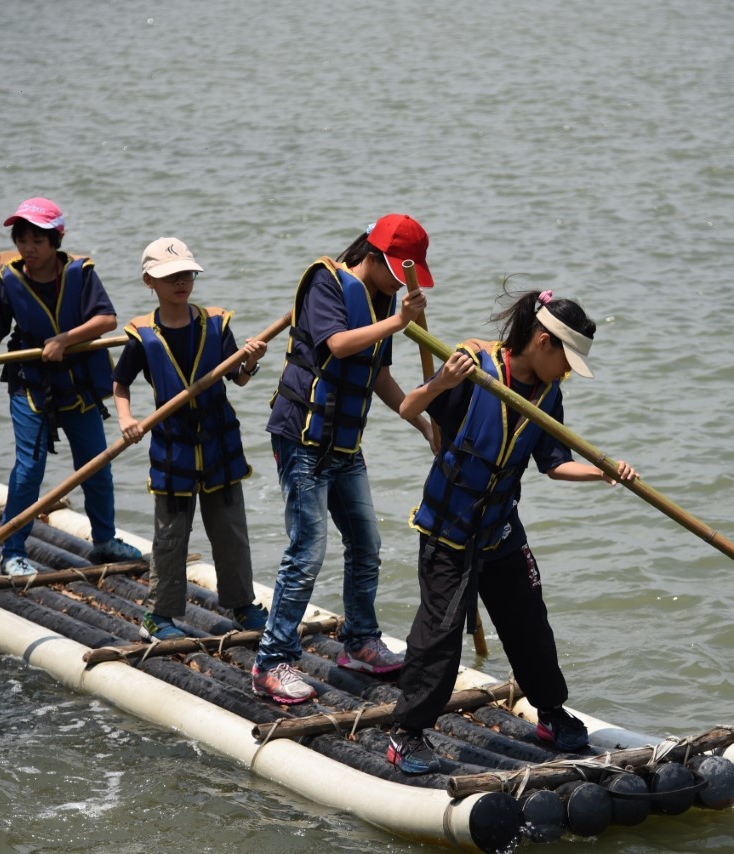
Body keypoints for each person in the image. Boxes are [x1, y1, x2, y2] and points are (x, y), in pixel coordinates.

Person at [384, 288, 638, 774]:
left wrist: (604, 471)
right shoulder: (472, 365)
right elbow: (409, 407)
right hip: (449, 531)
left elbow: (555, 464)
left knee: (530, 626)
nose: (566, 373)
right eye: (565, 360)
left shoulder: (550, 393)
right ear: (543, 342)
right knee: (439, 636)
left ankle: (550, 713)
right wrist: (442, 382)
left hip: (501, 530)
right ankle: (406, 734)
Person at [251, 213, 436, 704]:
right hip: (302, 439)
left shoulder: (384, 300)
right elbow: (336, 344)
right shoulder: (326, 282)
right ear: (373, 256)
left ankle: (359, 643)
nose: (400, 283)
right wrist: (399, 321)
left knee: (366, 543)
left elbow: (377, 375)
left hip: (345, 446)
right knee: (308, 550)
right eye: (397, 271)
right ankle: (271, 662)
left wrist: (423, 424)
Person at [0, 198, 140, 576]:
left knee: (95, 464)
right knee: (29, 469)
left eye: (37, 241)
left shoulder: (81, 274)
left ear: (56, 240)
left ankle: (105, 540)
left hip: (78, 384)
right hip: (30, 383)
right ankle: (12, 551)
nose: (28, 248)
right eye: (22, 239)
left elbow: (107, 319)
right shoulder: (8, 279)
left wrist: (64, 339)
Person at [112, 237, 270, 638]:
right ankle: (158, 616)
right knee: (170, 539)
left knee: (231, 532)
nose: (181, 282)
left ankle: (242, 605)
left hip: (220, 445)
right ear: (150, 281)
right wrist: (126, 419)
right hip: (173, 448)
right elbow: (120, 383)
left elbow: (240, 378)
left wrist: (250, 360)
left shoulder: (216, 324)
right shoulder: (142, 335)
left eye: (186, 274)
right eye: (170, 277)